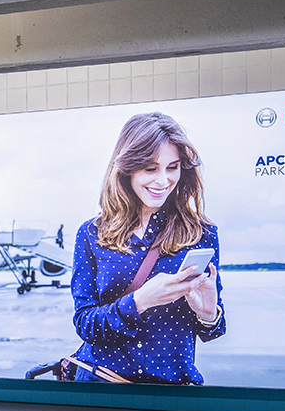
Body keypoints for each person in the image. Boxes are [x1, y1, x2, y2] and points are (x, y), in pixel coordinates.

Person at [68, 111, 224, 384]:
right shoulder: (91, 234)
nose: (163, 181)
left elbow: (213, 330)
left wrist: (209, 313)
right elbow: (85, 324)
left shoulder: (201, 233)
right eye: (150, 169)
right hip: (101, 386)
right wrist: (139, 302)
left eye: (172, 168)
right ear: (126, 168)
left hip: (171, 395)